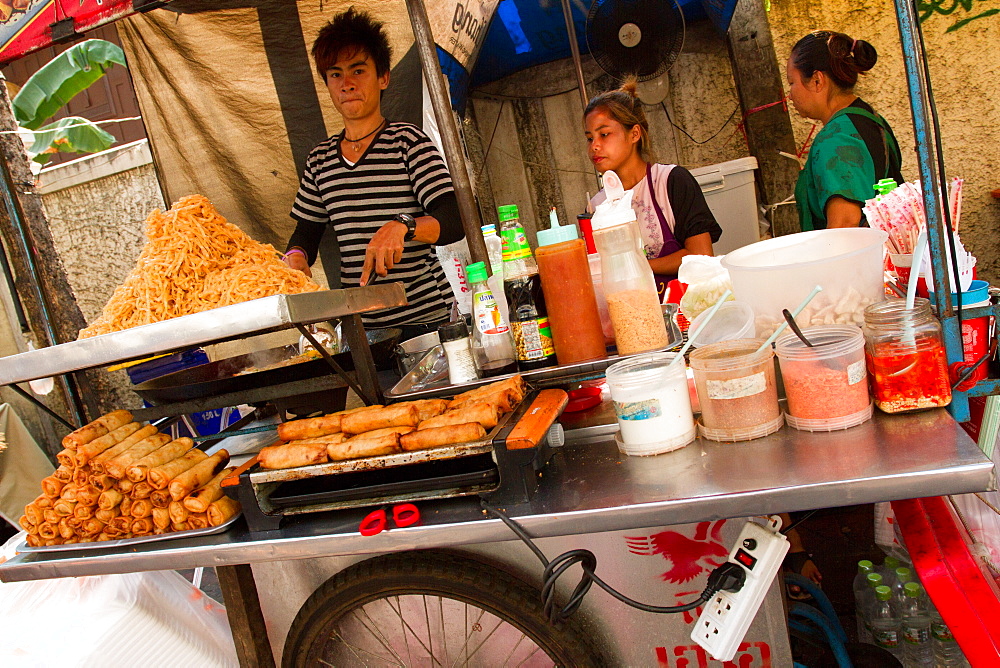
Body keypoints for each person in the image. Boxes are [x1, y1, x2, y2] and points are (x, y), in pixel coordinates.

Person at [284, 8, 465, 343]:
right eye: (335, 74)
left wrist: (404, 226)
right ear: (326, 84)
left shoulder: (408, 143)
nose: (347, 83)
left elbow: (454, 219)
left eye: (358, 70)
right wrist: (294, 257)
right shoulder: (320, 161)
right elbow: (306, 233)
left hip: (427, 324)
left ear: (383, 77)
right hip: (363, 332)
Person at [585, 79, 722, 297]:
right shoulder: (597, 207)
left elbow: (701, 256)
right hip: (631, 313)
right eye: (589, 138)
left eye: (604, 134)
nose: (595, 146)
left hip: (687, 310)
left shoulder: (671, 181)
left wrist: (637, 268)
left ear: (634, 134)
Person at [787, 30, 904, 231]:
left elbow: (844, 226)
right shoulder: (870, 118)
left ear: (817, 80)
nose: (790, 95)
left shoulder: (837, 139)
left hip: (865, 260)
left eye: (792, 82)